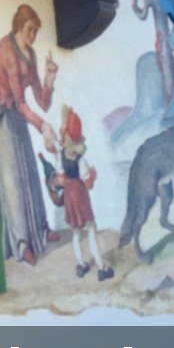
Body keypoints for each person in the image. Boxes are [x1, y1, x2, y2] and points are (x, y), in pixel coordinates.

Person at [0, 3, 59, 265]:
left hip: (21, 116)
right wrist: (43, 127)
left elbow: (42, 101)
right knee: (13, 181)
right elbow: (19, 102)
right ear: (19, 27)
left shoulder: (30, 54)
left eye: (36, 32)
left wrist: (50, 78)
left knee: (30, 172)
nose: (33, 36)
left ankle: (41, 229)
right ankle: (21, 244)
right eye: (30, 30)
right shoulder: (6, 49)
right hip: (5, 117)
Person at [52, 105, 113, 282]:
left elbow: (61, 178)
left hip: (70, 196)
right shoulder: (80, 160)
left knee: (76, 233)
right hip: (79, 195)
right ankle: (101, 268)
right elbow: (88, 184)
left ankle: (81, 265)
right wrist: (92, 176)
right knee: (91, 230)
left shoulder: (60, 156)